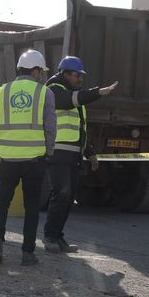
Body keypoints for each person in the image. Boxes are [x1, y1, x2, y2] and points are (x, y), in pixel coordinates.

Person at [0, 49, 56, 265]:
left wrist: (3, 147)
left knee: (1, 203)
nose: (42, 76)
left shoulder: (2, 91)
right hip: (34, 161)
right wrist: (48, 152)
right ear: (35, 71)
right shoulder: (45, 93)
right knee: (31, 206)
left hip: (8, 160)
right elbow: (50, 128)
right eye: (41, 72)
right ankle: (27, 253)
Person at [42, 55, 118, 254]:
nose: (80, 79)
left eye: (81, 76)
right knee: (62, 193)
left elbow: (80, 129)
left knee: (69, 197)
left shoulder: (75, 96)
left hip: (73, 155)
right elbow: (68, 101)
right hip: (56, 152)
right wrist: (99, 92)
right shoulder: (54, 90)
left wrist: (90, 152)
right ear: (65, 74)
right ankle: (50, 236)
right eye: (77, 75)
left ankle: (58, 237)